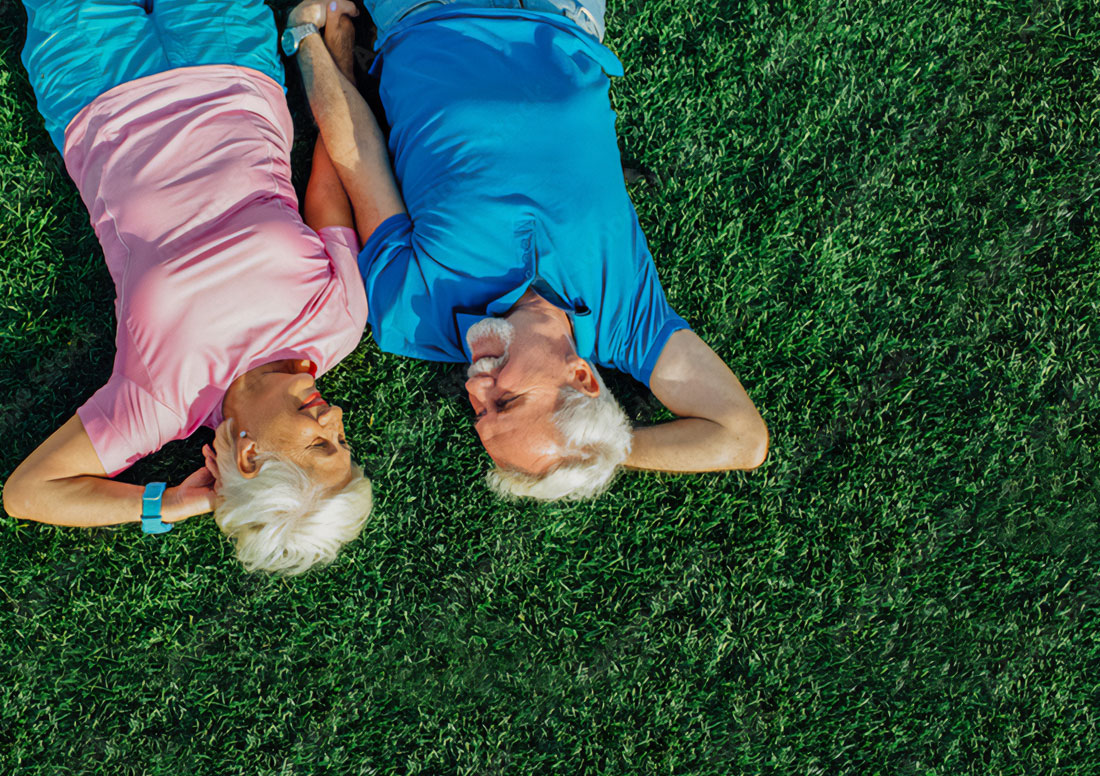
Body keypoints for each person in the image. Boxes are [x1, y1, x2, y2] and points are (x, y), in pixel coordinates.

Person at [290, 0, 768, 501]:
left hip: (426, 13)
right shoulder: (629, 323)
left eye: (481, 412)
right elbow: (742, 438)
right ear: (581, 377)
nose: (476, 388)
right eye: (508, 400)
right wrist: (598, 449)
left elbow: (355, 151)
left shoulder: (412, 313)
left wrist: (309, 37)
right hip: (563, 13)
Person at [3, 0, 373, 575]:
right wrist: (337, 61)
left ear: (250, 456)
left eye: (320, 444)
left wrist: (170, 504)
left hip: (97, 91)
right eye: (344, 444)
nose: (337, 420)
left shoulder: (159, 403)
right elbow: (327, 190)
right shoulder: (338, 324)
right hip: (232, 63)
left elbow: (27, 493)